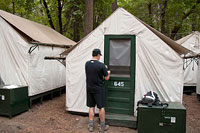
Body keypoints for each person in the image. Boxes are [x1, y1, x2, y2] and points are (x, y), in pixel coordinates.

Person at [85, 48, 111, 132]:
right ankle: (102, 126)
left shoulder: (87, 64)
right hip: (99, 89)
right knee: (101, 107)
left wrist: (103, 68)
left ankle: (91, 125)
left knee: (91, 107)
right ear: (98, 55)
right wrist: (108, 72)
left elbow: (94, 70)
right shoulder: (101, 65)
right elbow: (106, 78)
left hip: (89, 88)